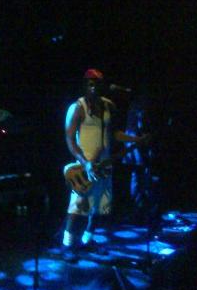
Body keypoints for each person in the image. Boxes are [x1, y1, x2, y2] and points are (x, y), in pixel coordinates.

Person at [62, 68, 149, 263]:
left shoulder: (109, 106)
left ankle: (88, 239)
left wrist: (136, 139)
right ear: (85, 85)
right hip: (85, 164)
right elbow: (70, 140)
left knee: (99, 206)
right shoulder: (77, 108)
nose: (93, 86)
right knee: (78, 206)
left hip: (105, 164)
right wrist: (85, 162)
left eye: (97, 83)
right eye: (90, 83)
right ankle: (67, 245)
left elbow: (114, 133)